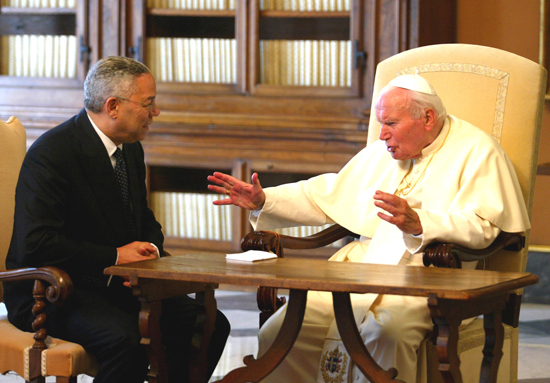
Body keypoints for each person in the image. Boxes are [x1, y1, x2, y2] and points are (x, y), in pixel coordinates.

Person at [207, 74, 530, 383]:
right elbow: (326, 195)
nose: (381, 135)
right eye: (381, 123)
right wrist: (265, 199)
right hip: (360, 266)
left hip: (430, 276)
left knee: (386, 333)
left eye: (390, 123)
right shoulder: (383, 152)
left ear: (427, 118)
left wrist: (421, 223)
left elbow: (486, 226)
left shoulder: (477, 151)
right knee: (277, 329)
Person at [4, 56, 230, 383]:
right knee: (125, 340)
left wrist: (148, 251)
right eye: (148, 103)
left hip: (117, 285)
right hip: (53, 290)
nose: (156, 112)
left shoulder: (129, 149)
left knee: (207, 323)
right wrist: (115, 257)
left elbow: (144, 220)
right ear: (113, 106)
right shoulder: (53, 154)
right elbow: (38, 243)